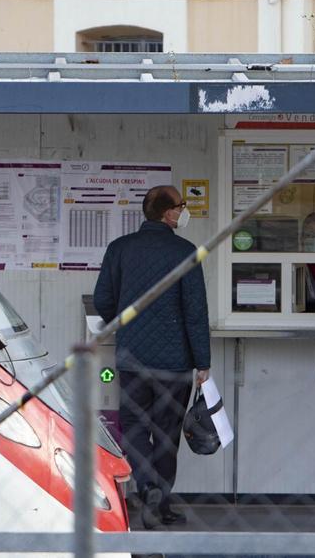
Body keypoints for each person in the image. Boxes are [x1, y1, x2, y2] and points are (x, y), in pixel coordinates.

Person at [94, 185, 211, 530]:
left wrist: (129, 321)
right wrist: (202, 361)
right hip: (174, 362)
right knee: (167, 432)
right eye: (181, 206)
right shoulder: (186, 251)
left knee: (130, 426)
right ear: (168, 213)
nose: (183, 211)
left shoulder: (120, 249)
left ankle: (146, 488)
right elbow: (195, 311)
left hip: (132, 357)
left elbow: (103, 300)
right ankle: (161, 497)